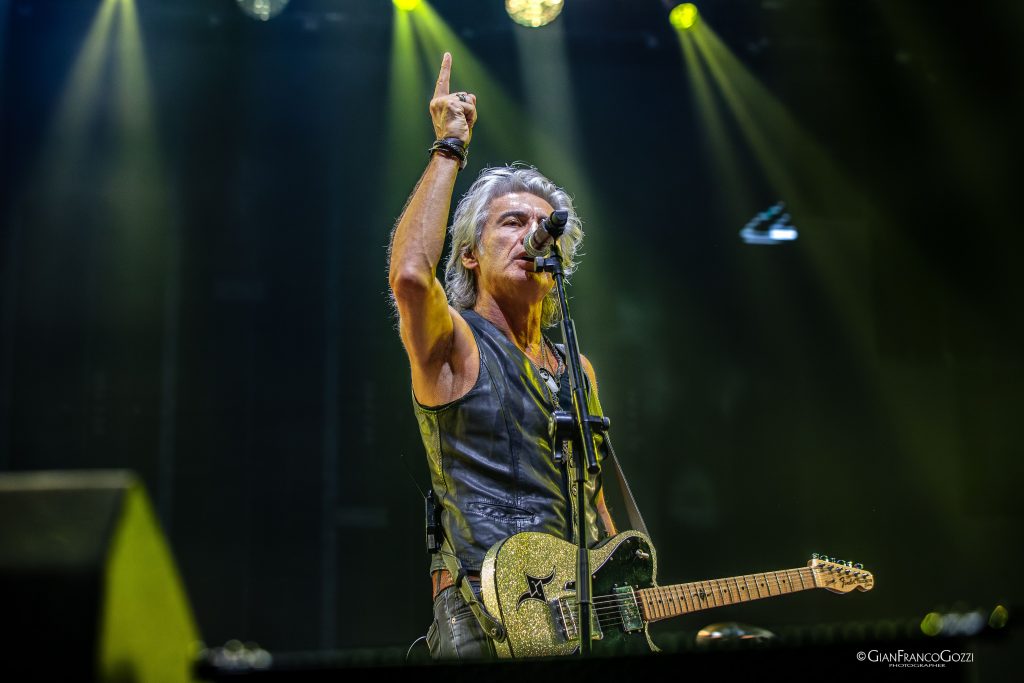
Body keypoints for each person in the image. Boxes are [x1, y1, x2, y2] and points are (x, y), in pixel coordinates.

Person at [388, 52, 617, 661]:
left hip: (577, 624)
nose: (533, 235)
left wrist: (623, 588)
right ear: (470, 254)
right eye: (512, 223)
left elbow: (592, 501)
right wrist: (449, 146)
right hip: (488, 622)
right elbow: (410, 277)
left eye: (544, 226)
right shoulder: (456, 343)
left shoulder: (577, 370)